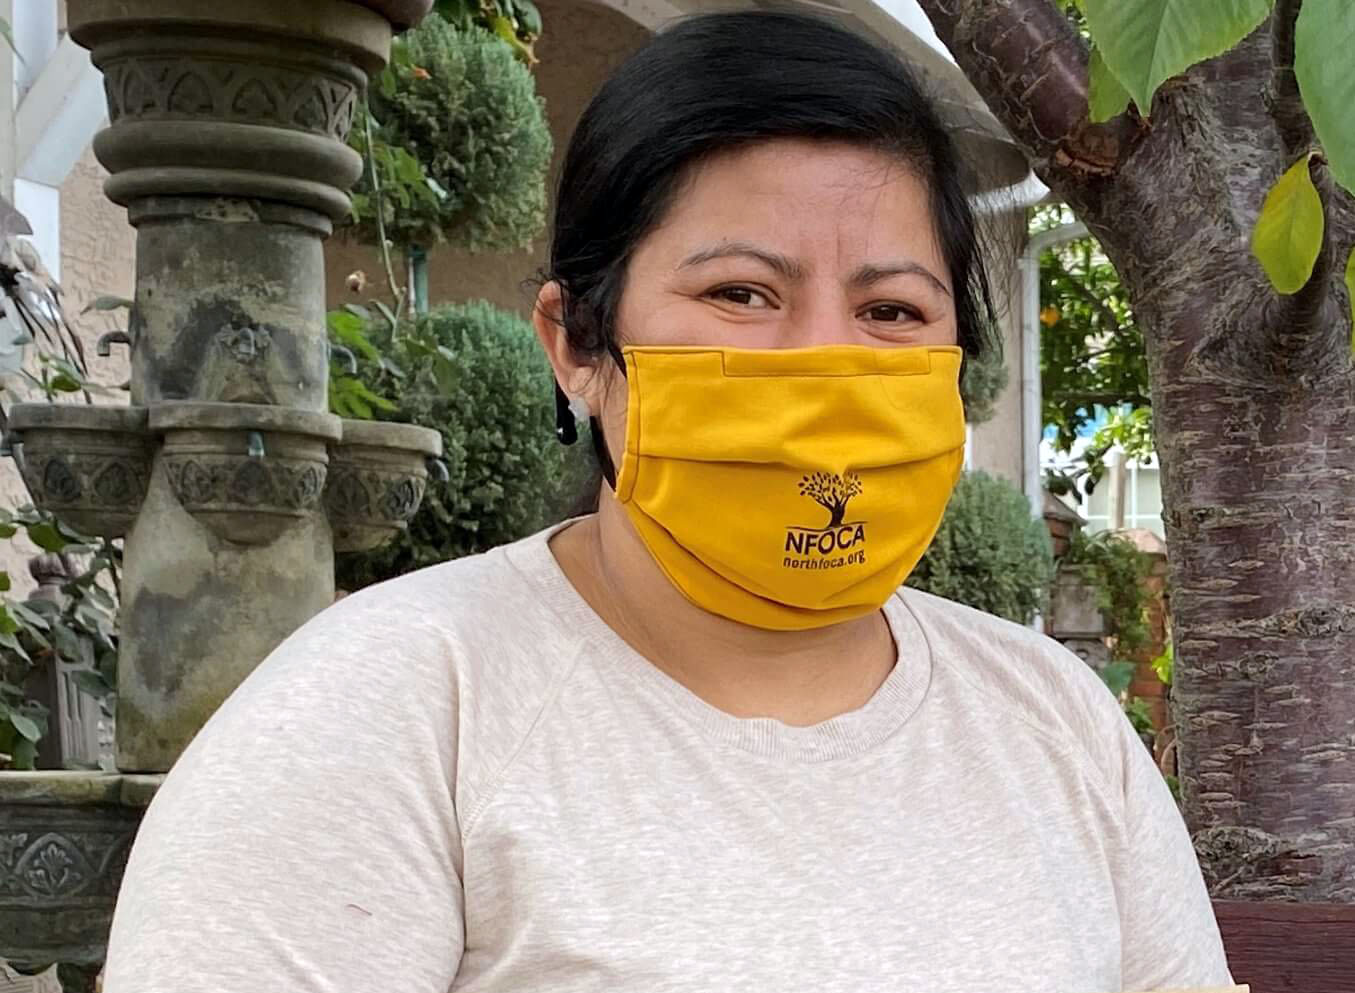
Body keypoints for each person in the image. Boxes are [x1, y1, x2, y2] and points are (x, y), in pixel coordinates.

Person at [101, 11, 1233, 993]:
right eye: (740, 293)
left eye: (889, 311)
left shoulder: (1050, 718)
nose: (820, 365)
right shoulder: (384, 716)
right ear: (577, 346)